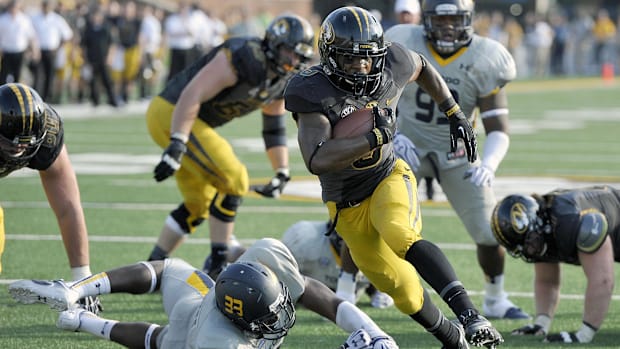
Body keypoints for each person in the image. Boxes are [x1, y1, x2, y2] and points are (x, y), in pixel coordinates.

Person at [284, 6, 502, 349]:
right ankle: (452, 339)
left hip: (387, 175)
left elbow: (423, 67)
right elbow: (317, 158)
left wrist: (454, 112)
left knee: (399, 232)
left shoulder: (394, 62)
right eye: (351, 60)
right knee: (400, 287)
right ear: (329, 57)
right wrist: (375, 137)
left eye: (368, 59)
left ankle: (471, 315)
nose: (361, 67)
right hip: (344, 203)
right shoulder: (312, 90)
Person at [384, 0, 528, 320]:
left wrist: (488, 164)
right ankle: (360, 287)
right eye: (441, 18)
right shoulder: (404, 43)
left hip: (458, 154)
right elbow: (379, 95)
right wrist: (392, 134)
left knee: (489, 230)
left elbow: (498, 126)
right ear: (427, 20)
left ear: (468, 19)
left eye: (454, 18)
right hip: (408, 146)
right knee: (376, 213)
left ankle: (495, 297)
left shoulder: (486, 57)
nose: (448, 26)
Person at [145, 13, 315, 279]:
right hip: (172, 112)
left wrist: (281, 171)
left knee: (198, 202)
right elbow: (193, 93)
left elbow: (273, 128)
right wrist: (178, 141)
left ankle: (152, 267)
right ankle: (218, 263)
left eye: (298, 56)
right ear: (273, 42)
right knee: (235, 179)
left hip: (189, 121)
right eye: (287, 51)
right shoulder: (245, 56)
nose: (292, 61)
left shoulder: (281, 79)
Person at [9, 238, 399, 349]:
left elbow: (316, 292)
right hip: (196, 333)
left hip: (200, 297)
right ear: (243, 323)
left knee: (173, 271)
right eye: (269, 314)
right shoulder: (222, 343)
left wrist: (371, 331)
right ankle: (83, 321)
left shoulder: (263, 258)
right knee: (164, 340)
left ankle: (79, 293)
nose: (281, 315)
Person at [0, 82, 99, 310]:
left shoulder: (48, 136)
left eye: (27, 145)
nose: (19, 151)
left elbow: (68, 207)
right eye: (10, 144)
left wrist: (83, 278)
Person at [491, 185, 620, 344]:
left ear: (538, 223)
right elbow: (547, 281)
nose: (527, 250)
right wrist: (541, 324)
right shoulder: (543, 224)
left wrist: (584, 335)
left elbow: (603, 280)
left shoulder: (573, 219)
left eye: (528, 242)